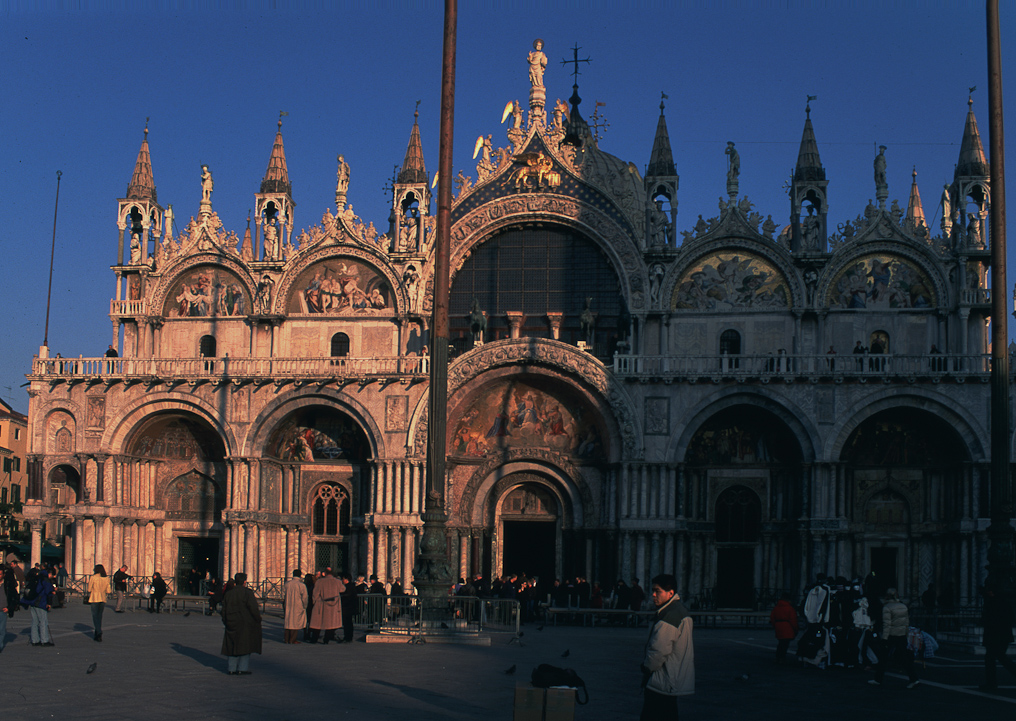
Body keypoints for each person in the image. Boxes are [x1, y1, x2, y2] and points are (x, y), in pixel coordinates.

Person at [640, 574, 694, 720]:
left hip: (662, 681)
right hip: (673, 679)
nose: (653, 595)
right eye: (653, 590)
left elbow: (658, 651)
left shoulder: (669, 616)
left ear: (670, 593)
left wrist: (647, 667)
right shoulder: (680, 611)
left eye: (657, 591)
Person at [869, 588, 919, 688]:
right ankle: (913, 678)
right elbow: (906, 622)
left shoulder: (887, 607)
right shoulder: (903, 606)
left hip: (891, 635)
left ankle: (878, 679)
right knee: (903, 657)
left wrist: (884, 638)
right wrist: (906, 634)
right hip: (901, 635)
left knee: (883, 658)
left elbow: (887, 625)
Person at [221, 572, 262, 675]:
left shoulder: (228, 593)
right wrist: (258, 619)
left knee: (231, 645)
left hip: (231, 622)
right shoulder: (247, 593)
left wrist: (226, 621)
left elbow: (223, 610)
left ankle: (231, 668)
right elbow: (253, 608)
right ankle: (242, 668)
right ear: (244, 582)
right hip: (245, 623)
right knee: (244, 645)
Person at [981, 586, 1016, 691]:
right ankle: (991, 682)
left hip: (994, 636)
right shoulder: (1004, 602)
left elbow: (989, 620)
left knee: (992, 658)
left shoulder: (992, 603)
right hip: (1002, 636)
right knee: (1000, 657)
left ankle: (991, 683)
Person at [309, 570, 344, 644]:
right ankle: (326, 640)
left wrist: (314, 602)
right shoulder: (337, 581)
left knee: (317, 624)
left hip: (321, 604)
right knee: (330, 625)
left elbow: (315, 593)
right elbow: (343, 589)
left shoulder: (320, 581)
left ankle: (314, 639)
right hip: (333, 606)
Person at [24, 567, 56, 646]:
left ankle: (35, 640)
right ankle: (44, 640)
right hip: (41, 602)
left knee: (35, 621)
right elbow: (48, 592)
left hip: (32, 601)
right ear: (49, 573)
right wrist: (49, 603)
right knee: (43, 621)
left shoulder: (36, 578)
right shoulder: (45, 580)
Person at [770, 592, 800, 664]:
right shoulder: (790, 608)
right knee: (785, 644)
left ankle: (778, 657)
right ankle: (782, 657)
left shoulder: (776, 608)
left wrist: (775, 625)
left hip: (778, 626)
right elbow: (793, 620)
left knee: (780, 643)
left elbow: (772, 618)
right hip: (787, 627)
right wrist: (796, 629)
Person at [86, 564, 111, 641]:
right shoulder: (106, 578)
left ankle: (99, 631)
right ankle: (97, 633)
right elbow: (108, 591)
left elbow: (89, 589)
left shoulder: (93, 577)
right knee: (99, 616)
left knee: (95, 616)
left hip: (94, 598)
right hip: (103, 598)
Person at [283, 569, 308, 644]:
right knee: (295, 623)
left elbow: (284, 594)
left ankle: (286, 639)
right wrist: (305, 606)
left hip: (288, 604)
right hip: (298, 605)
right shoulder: (301, 585)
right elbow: (305, 597)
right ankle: (292, 639)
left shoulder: (287, 584)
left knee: (288, 622)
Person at [340, 573, 358, 643]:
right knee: (349, 623)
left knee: (347, 623)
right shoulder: (352, 586)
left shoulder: (348, 587)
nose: (342, 580)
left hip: (347, 607)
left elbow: (347, 596)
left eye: (343, 579)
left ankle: (347, 637)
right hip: (350, 607)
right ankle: (348, 637)